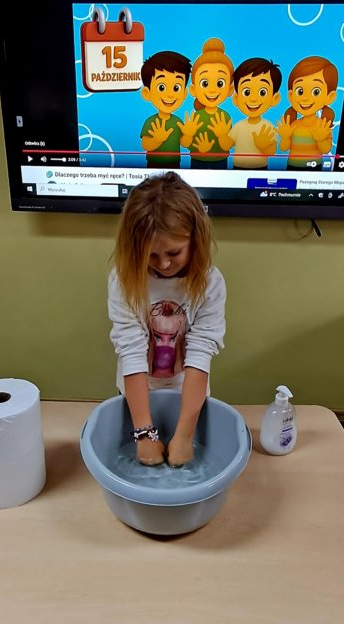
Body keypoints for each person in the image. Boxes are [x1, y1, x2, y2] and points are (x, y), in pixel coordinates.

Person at [108, 172, 226, 467]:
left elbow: (200, 353)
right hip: (137, 392)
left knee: (184, 450)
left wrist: (185, 435)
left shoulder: (210, 283)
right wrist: (143, 433)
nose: (163, 264)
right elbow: (131, 351)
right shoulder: (123, 280)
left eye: (174, 252)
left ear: (195, 239)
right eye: (151, 255)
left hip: (188, 392)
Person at [178, 38, 234, 169]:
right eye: (205, 83)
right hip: (197, 160)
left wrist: (222, 136)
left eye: (220, 83)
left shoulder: (225, 117)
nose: (212, 90)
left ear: (230, 90)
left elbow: (228, 145)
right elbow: (185, 144)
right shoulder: (196, 117)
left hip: (220, 161)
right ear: (193, 89)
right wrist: (188, 135)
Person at [275, 56, 338, 171]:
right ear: (291, 96)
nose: (305, 98)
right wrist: (285, 137)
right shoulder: (294, 124)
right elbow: (283, 148)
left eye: (316, 92)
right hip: (292, 167)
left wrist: (321, 139)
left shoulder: (323, 126)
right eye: (300, 91)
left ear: (330, 97)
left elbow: (326, 149)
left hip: (314, 168)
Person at [140, 51, 192, 168]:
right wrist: (157, 140)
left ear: (184, 93)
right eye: (161, 87)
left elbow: (184, 144)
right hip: (153, 165)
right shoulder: (151, 121)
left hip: (175, 164)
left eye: (176, 88)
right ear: (147, 93)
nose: (170, 95)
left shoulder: (178, 122)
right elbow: (145, 144)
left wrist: (188, 135)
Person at [229, 57, 281, 169]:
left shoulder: (268, 127)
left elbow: (272, 152)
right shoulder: (239, 126)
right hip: (237, 169)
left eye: (262, 92)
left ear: (274, 98)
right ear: (236, 98)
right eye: (246, 92)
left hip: (260, 169)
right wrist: (221, 135)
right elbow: (226, 145)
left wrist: (264, 146)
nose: (253, 99)